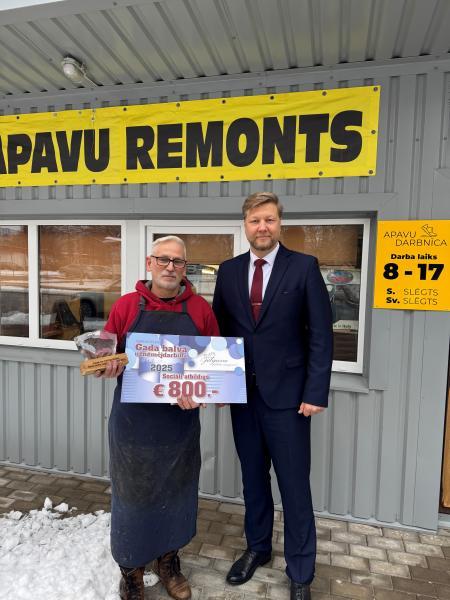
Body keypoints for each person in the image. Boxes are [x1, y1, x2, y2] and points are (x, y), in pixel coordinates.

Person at [212, 192, 333, 600]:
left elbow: (320, 334)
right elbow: (220, 333)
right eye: (255, 220)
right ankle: (258, 548)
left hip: (290, 400)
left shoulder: (304, 267)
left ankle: (300, 572)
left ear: (280, 223)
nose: (262, 227)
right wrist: (218, 383)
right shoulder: (228, 271)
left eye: (269, 219)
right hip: (243, 397)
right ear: (245, 226)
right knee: (253, 479)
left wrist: (315, 391)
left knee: (294, 486)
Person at [99, 235, 219, 600]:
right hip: (133, 426)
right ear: (150, 263)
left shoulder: (200, 310)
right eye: (163, 259)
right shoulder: (125, 306)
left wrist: (203, 391)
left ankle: (168, 563)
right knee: (132, 498)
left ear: (185, 268)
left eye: (178, 261)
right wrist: (105, 364)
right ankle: (131, 571)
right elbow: (104, 354)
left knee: (178, 493)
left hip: (179, 427)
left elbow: (214, 368)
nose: (170, 267)